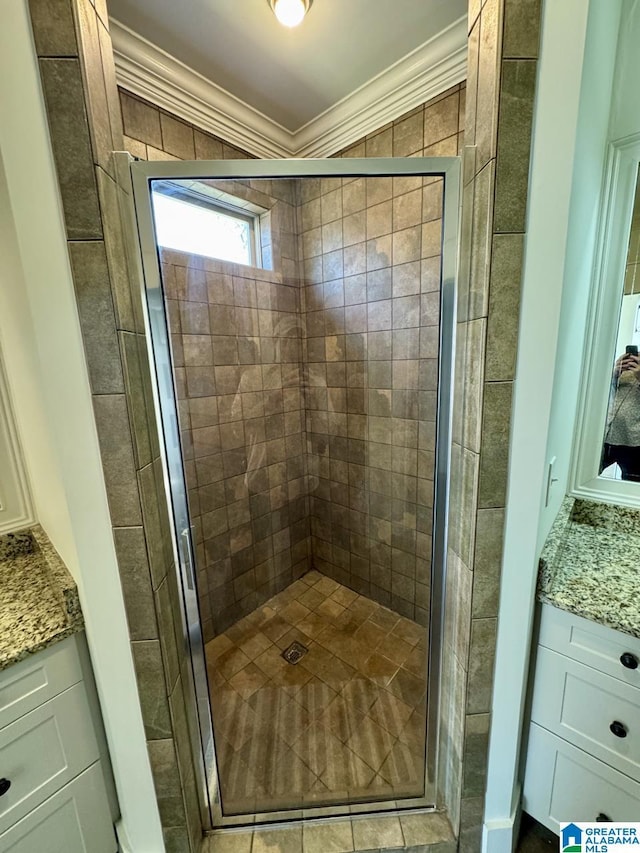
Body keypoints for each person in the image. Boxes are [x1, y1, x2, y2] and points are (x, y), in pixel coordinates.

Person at [602, 348, 640, 480]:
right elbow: (601, 395)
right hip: (606, 436)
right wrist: (613, 374)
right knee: (585, 475)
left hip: (633, 442)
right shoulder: (626, 369)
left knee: (631, 484)